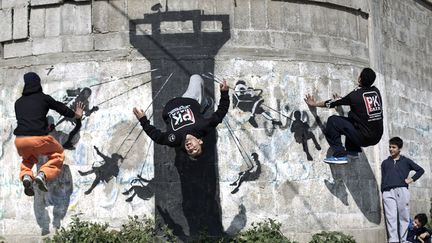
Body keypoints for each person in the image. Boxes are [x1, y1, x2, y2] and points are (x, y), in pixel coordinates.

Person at [14, 72, 84, 196]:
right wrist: (76, 115)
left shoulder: (18, 103)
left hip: (20, 141)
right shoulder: (43, 98)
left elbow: (30, 120)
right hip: (38, 139)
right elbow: (61, 108)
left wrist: (46, 127)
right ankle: (43, 174)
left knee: (28, 160)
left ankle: (26, 175)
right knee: (57, 154)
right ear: (38, 84)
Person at [133, 74, 229, 158]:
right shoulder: (203, 127)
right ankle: (203, 104)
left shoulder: (174, 140)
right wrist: (224, 93)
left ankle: (203, 106)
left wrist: (143, 119)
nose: (191, 148)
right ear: (200, 141)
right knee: (196, 77)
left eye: (190, 152)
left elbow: (156, 136)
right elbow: (221, 113)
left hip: (170, 106)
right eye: (196, 149)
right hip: (190, 99)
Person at [304, 67, 383, 164]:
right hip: (377, 136)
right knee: (353, 115)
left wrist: (314, 104)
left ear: (360, 79)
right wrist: (343, 100)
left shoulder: (355, 95)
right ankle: (353, 151)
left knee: (333, 121)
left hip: (364, 138)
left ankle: (340, 155)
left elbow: (332, 103)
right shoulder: (376, 92)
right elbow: (361, 104)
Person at [381, 137, 425, 243]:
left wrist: (411, 179)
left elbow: (420, 170)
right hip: (387, 192)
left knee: (403, 217)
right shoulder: (385, 163)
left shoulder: (406, 161)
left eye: (394, 147)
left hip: (402, 190)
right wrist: (383, 191)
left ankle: (403, 240)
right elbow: (383, 177)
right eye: (390, 147)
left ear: (399, 148)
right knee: (390, 217)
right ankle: (393, 240)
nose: (391, 149)